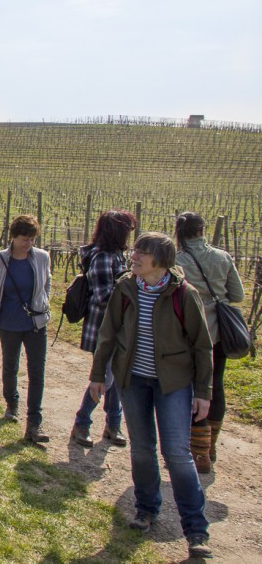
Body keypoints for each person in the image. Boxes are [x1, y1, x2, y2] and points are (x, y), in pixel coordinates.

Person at [89, 232, 213, 560]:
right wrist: (99, 374)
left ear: (158, 260)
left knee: (177, 453)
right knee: (142, 449)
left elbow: (202, 345)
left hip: (174, 384)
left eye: (142, 253)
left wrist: (203, 391)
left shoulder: (184, 294)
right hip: (134, 381)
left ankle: (196, 529)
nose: (134, 256)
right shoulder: (125, 288)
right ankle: (146, 510)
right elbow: (108, 333)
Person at [175, 211, 245, 473]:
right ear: (203, 230)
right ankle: (211, 445)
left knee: (194, 387)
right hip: (220, 333)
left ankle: (199, 451)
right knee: (217, 385)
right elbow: (237, 295)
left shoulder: (178, 260)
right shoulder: (222, 256)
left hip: (190, 333)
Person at [0, 215, 52, 444]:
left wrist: (43, 301)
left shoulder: (42, 257)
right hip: (8, 323)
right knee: (11, 366)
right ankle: (12, 404)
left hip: (35, 323)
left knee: (37, 371)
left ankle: (34, 423)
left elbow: (47, 281)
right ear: (13, 237)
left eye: (32, 239)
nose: (28, 244)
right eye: (24, 239)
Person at [70, 210, 137, 449]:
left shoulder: (118, 255)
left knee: (116, 376)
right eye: (127, 229)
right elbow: (102, 297)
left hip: (121, 327)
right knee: (106, 376)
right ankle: (82, 422)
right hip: (103, 328)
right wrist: (132, 293)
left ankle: (112, 424)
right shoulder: (102, 258)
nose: (130, 234)